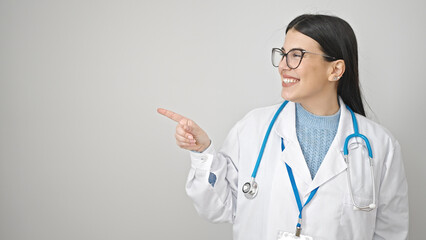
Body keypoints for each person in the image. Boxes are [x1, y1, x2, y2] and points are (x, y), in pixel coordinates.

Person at [157, 14, 409, 240]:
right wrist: (203, 152)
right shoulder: (253, 128)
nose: (283, 65)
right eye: (283, 53)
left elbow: (390, 232)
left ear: (335, 69)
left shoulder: (379, 144)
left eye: (297, 55)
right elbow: (217, 208)